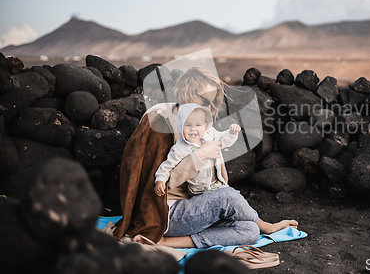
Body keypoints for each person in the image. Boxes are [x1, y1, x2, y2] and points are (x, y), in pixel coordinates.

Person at [113, 66, 298, 248]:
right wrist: (200, 155)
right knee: (228, 197)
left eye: (213, 101)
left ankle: (170, 242)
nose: (210, 106)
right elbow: (157, 183)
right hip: (167, 212)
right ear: (188, 93)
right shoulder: (162, 124)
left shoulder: (200, 126)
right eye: (206, 100)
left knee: (249, 230)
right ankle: (267, 227)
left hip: (197, 206)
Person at [154, 103, 240, 197]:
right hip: (198, 191)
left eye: (198, 125)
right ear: (181, 126)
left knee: (233, 196)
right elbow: (166, 167)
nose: (193, 129)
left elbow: (224, 140)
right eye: (188, 125)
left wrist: (232, 133)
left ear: (205, 126)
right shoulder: (179, 148)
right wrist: (160, 181)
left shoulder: (210, 134)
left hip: (217, 184)